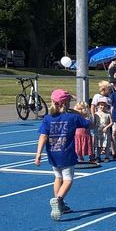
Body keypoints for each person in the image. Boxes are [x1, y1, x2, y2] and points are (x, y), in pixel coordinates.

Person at [34, 89, 92, 220]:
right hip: (67, 153)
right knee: (68, 179)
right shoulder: (73, 117)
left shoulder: (48, 118)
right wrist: (79, 113)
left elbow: (43, 136)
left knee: (58, 177)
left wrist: (38, 154)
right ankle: (58, 200)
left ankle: (60, 203)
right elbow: (90, 125)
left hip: (53, 154)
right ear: (65, 103)